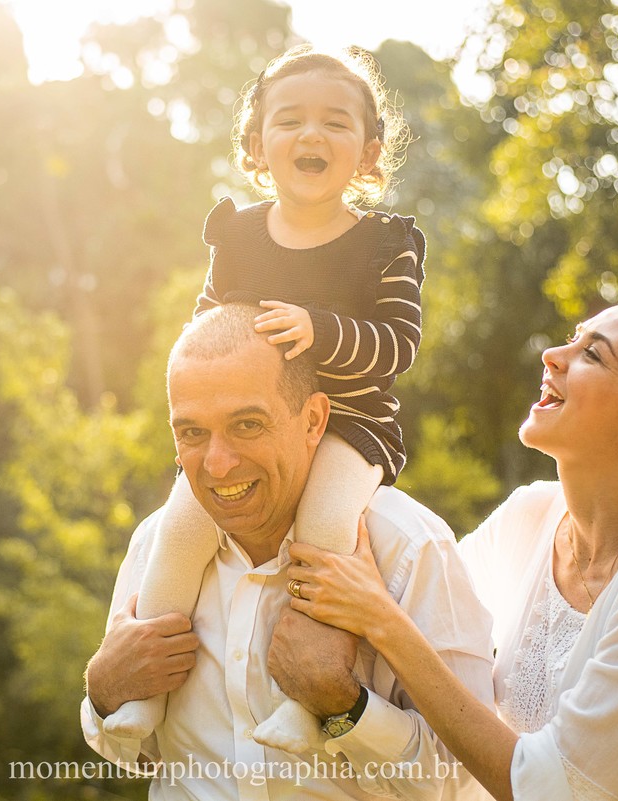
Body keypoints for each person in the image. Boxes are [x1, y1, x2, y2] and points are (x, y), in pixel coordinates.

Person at [282, 290, 618, 800]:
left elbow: (549, 788)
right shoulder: (531, 514)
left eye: (593, 354)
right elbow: (417, 604)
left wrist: (383, 623)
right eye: (572, 338)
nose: (553, 354)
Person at [104, 43, 427, 752]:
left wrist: (320, 331)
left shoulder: (384, 243)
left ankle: (304, 701)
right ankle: (147, 694)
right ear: (257, 146)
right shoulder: (240, 232)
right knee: (179, 530)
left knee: (323, 536)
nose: (312, 135)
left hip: (351, 424)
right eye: (290, 121)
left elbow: (397, 344)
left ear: (369, 153)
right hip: (250, 427)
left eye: (336, 123)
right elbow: (207, 319)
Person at [82, 303, 495, 800]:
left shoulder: (409, 548)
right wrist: (103, 693)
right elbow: (131, 749)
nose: (218, 464)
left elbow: (465, 782)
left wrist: (344, 706)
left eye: (247, 425)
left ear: (314, 420)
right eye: (192, 432)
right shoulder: (156, 547)